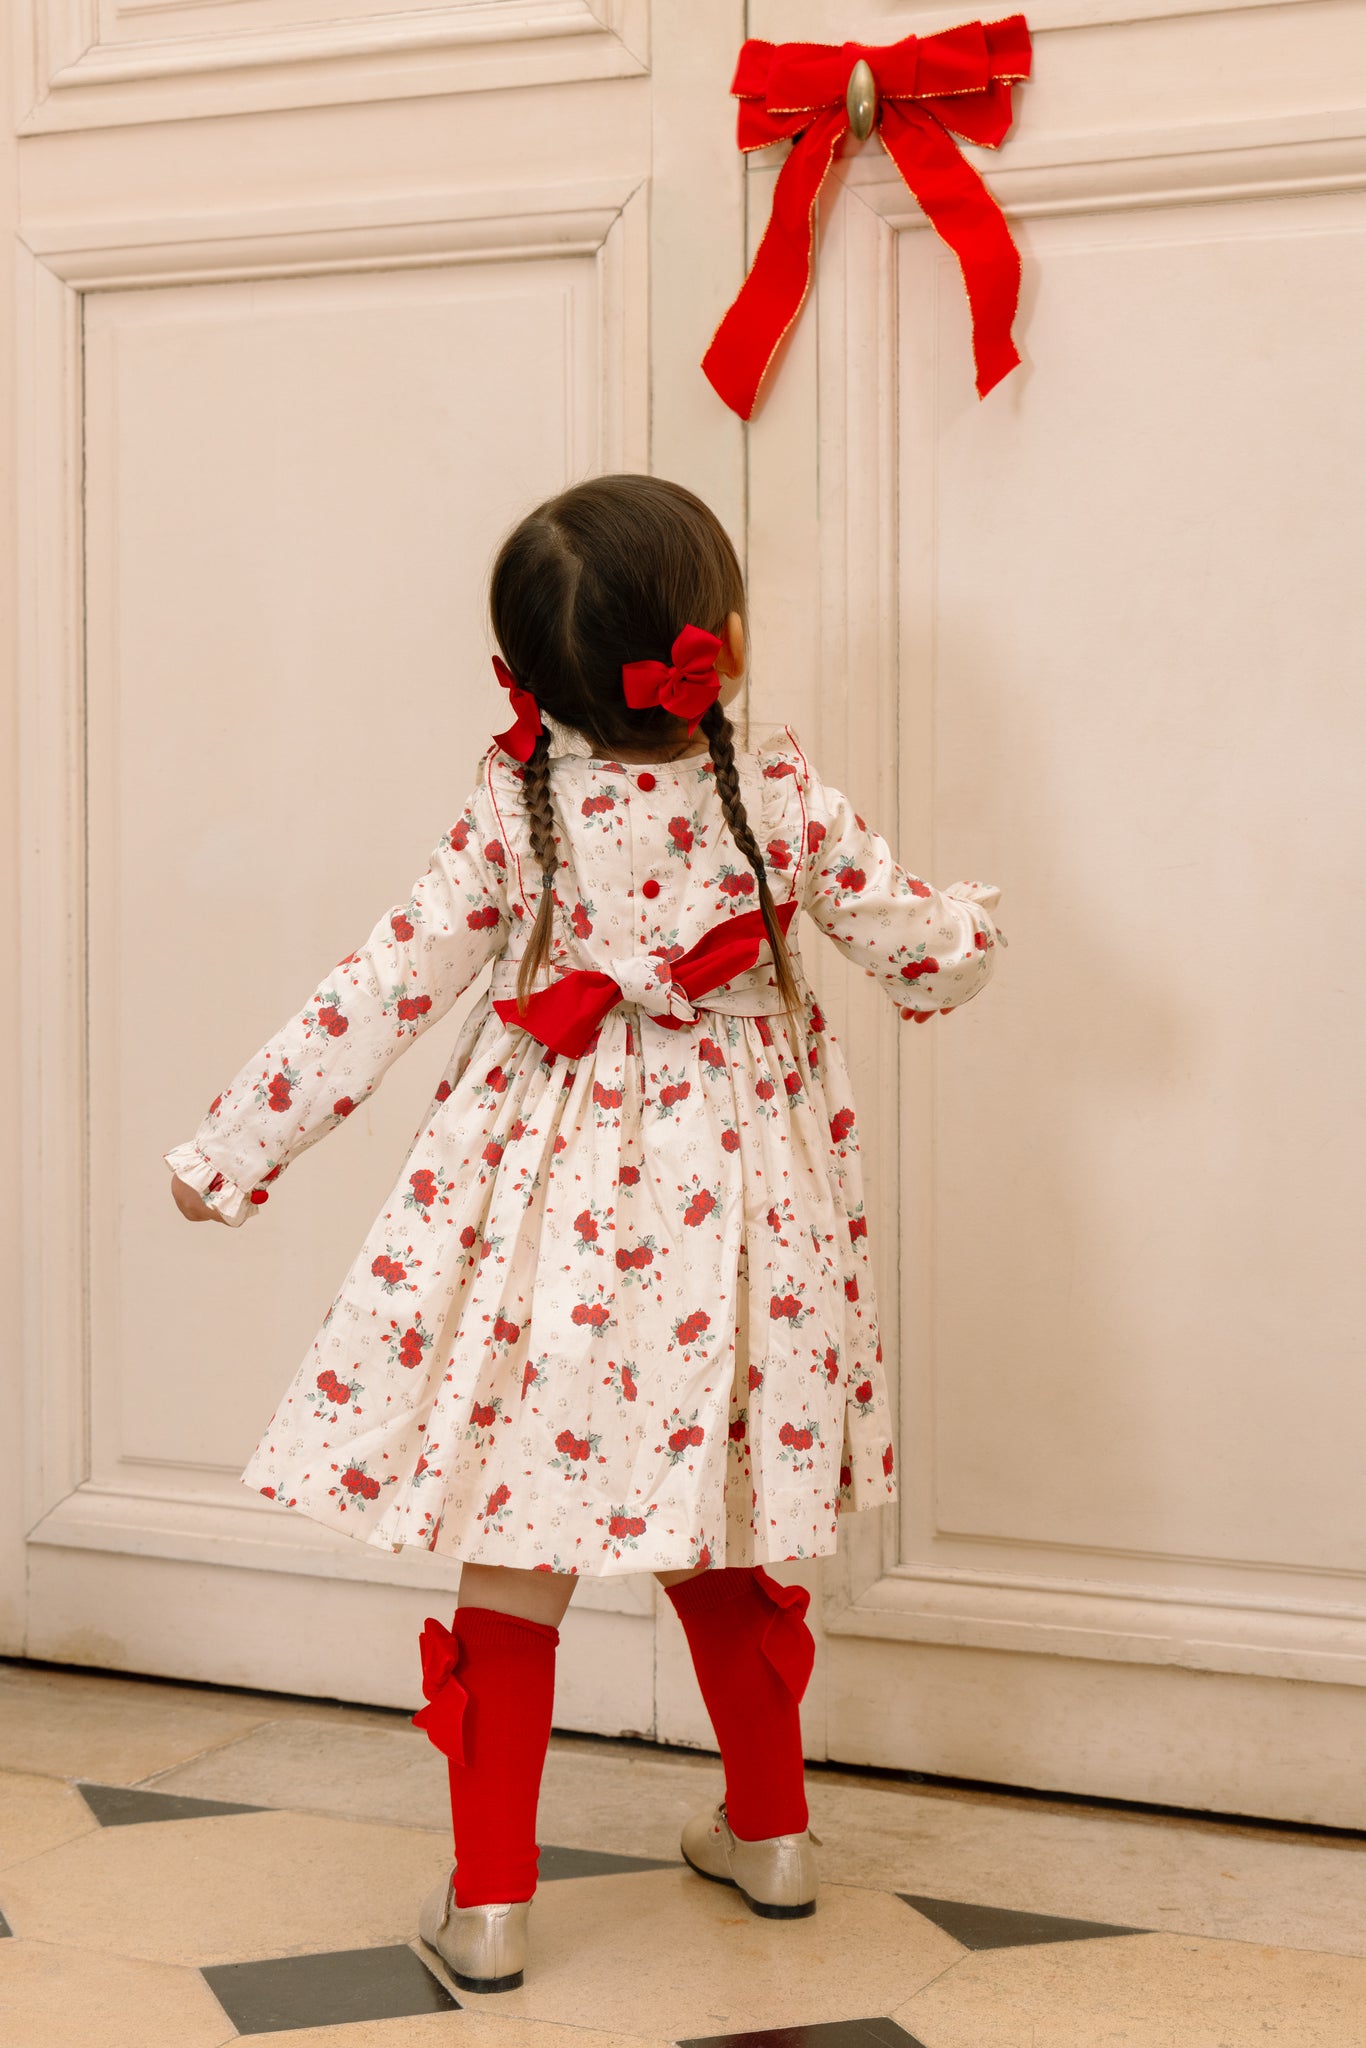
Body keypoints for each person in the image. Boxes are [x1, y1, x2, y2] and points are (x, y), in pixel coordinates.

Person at [166, 473, 1007, 1995]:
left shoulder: (518, 807)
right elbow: (933, 964)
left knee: (513, 1535)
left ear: (521, 679)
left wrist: (234, 1149)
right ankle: (771, 1834)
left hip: (544, 1234)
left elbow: (384, 985)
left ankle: (490, 1900)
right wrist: (970, 931)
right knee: (722, 1518)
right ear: (724, 645)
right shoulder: (785, 800)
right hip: (740, 1234)